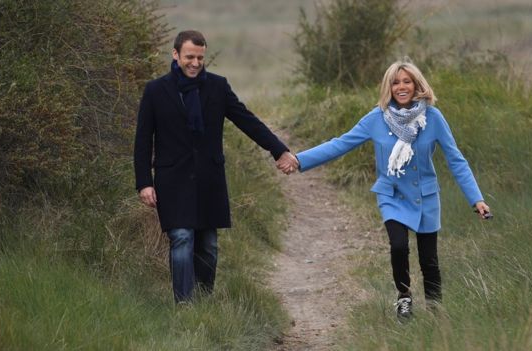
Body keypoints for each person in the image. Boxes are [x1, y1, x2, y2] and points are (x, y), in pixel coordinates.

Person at [282, 60, 491, 320]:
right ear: (388, 87)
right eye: (395, 82)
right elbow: (340, 144)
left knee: (429, 260)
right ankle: (404, 296)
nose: (401, 87)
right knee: (399, 246)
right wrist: (300, 159)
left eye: (406, 81)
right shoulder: (376, 118)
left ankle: (436, 311)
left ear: (416, 85)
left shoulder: (433, 118)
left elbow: (456, 159)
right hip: (392, 194)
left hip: (425, 195)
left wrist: (477, 199)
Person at [134, 30, 298, 303]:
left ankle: (203, 300)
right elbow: (142, 140)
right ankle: (185, 305)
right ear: (175, 55)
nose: (195, 63)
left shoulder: (217, 87)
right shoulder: (155, 91)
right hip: (172, 179)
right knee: (182, 238)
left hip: (209, 180)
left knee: (208, 246)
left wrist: (278, 150)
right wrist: (144, 182)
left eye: (200, 57)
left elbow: (247, 120)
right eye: (189, 57)